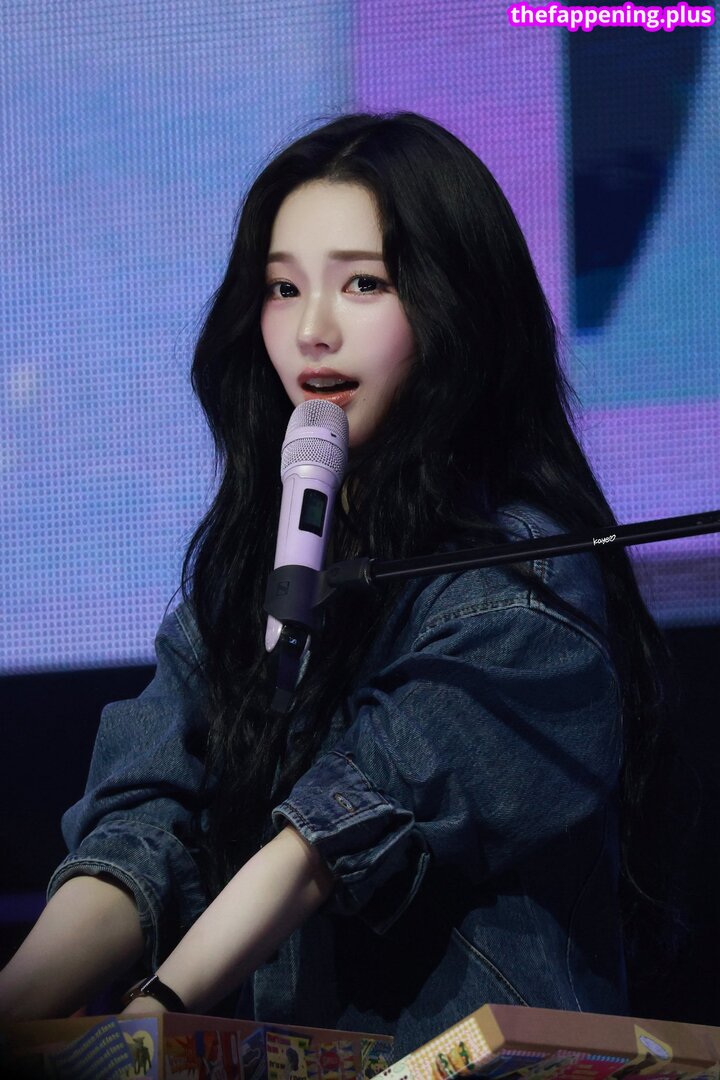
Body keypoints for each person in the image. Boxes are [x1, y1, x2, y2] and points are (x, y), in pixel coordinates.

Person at [0, 113, 666, 1056]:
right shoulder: (246, 580)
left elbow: (334, 833)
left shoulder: (525, 580)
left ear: (455, 303)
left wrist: (158, 1008)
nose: (312, 331)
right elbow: (141, 826)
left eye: (364, 283)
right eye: (283, 288)